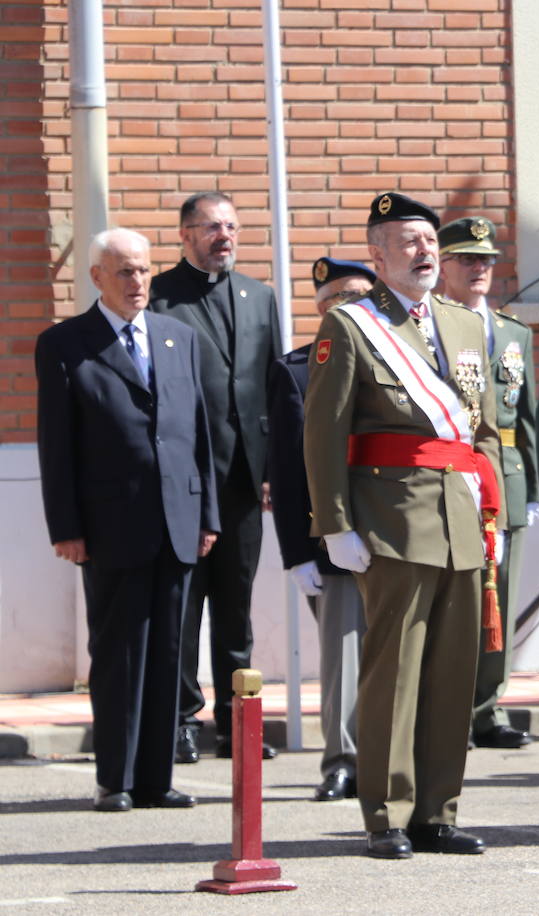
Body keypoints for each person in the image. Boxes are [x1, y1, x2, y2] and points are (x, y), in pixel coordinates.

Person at [304, 192, 503, 859]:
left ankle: (436, 811)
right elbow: (324, 434)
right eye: (407, 242)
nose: (424, 252)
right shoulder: (353, 326)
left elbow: (484, 429)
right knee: (394, 671)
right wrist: (334, 522)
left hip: (460, 519)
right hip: (391, 520)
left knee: (453, 673)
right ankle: (386, 812)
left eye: (428, 240)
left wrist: (490, 507)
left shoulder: (465, 323)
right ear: (378, 255)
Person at [36, 228, 218, 812]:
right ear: (96, 278)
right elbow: (56, 445)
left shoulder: (177, 338)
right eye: (124, 272)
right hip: (110, 524)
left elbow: (198, 433)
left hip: (178, 518)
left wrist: (207, 512)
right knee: (118, 653)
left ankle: (155, 779)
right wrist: (65, 526)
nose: (137, 282)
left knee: (171, 652)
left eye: (142, 270)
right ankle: (114, 778)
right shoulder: (66, 343)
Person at [151, 191, 282, 763]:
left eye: (231, 226)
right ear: (186, 235)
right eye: (210, 227)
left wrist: (275, 467)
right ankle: (182, 722)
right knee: (182, 606)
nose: (223, 236)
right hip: (184, 479)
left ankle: (238, 725)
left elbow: (273, 386)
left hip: (244, 479)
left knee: (236, 610)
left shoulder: (260, 296)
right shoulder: (158, 296)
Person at [267, 256, 375, 802]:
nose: (350, 306)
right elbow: (286, 471)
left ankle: (394, 760)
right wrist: (295, 552)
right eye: (338, 299)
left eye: (360, 294)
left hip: (400, 531)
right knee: (344, 657)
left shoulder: (401, 359)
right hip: (332, 540)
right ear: (320, 308)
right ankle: (342, 761)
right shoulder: (296, 370)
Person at [438, 215, 539, 750]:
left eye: (486, 260)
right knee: (459, 600)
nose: (479, 269)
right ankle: (450, 708)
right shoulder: (431, 325)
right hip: (455, 473)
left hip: (507, 476)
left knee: (500, 599)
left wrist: (538, 491)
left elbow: (525, 417)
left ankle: (487, 708)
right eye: (467, 260)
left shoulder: (514, 332)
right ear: (444, 266)